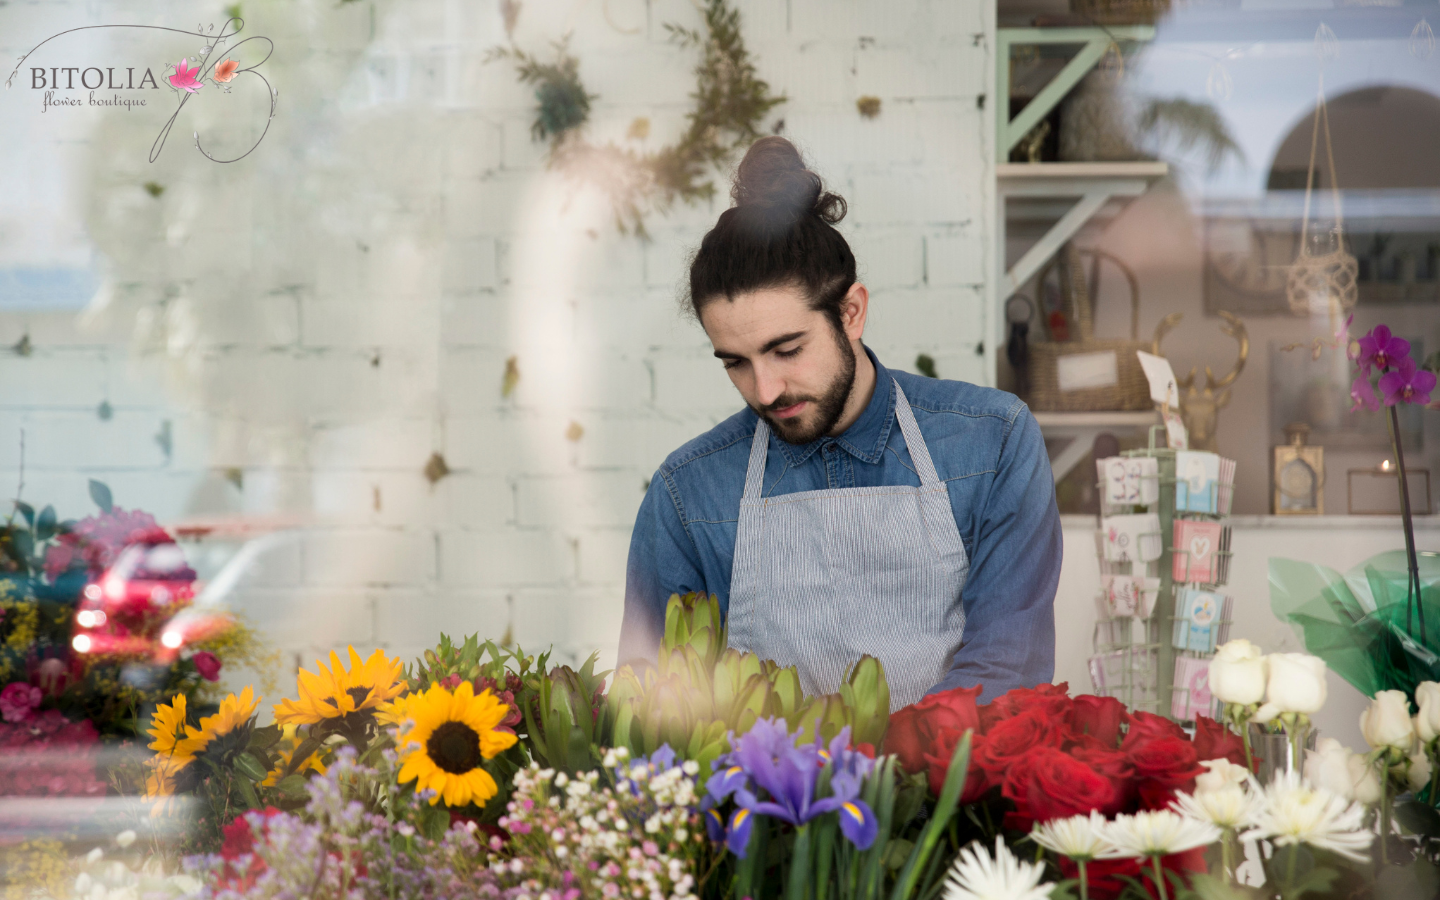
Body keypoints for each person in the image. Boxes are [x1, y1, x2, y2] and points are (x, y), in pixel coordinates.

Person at [618, 137, 1060, 709]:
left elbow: (1007, 666)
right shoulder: (687, 493)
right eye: (735, 363)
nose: (765, 390)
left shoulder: (993, 442)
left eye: (786, 350)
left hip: (954, 770)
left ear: (850, 312)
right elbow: (653, 704)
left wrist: (877, 763)